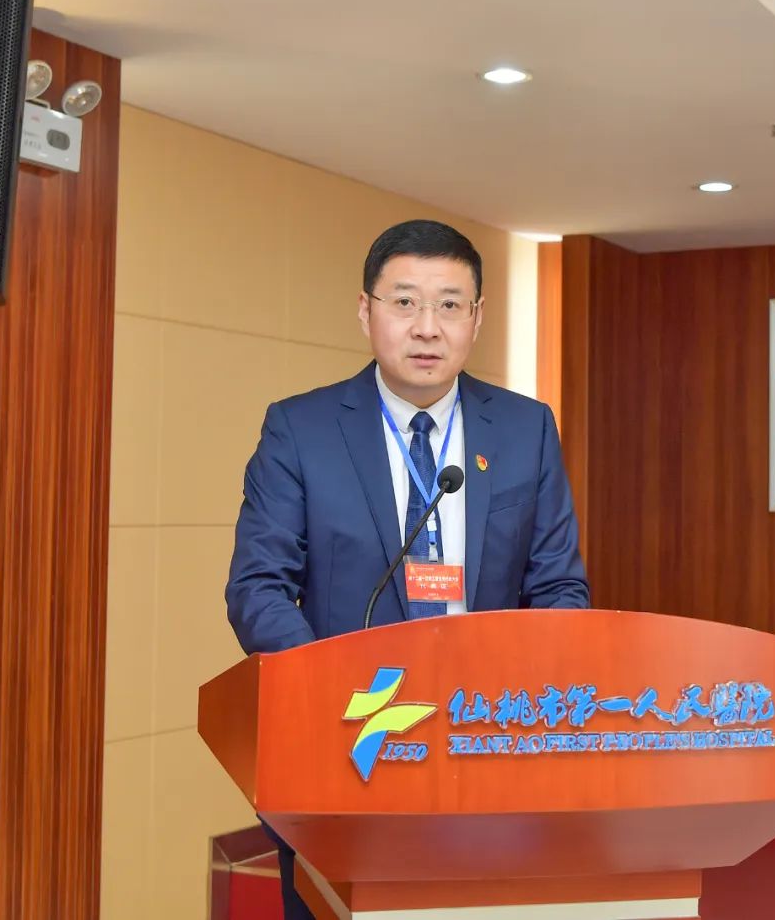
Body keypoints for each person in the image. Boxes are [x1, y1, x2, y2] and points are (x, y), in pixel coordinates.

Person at [225, 219, 589, 918]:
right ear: (366, 311)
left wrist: (521, 694)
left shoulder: (526, 428)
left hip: (486, 749)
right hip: (344, 751)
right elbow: (258, 587)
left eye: (450, 304)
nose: (427, 327)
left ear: (477, 318)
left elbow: (558, 587)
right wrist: (336, 693)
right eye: (405, 302)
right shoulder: (300, 429)